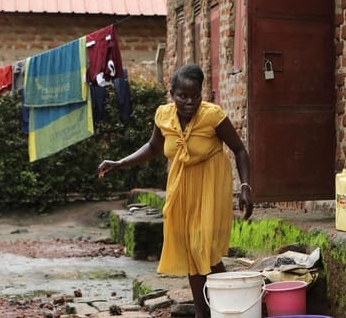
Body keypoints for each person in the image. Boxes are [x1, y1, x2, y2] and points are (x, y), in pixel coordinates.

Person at [97, 64, 252, 318]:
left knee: (202, 247)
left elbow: (240, 150)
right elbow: (153, 147)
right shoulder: (163, 116)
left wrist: (245, 187)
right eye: (183, 96)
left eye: (195, 96)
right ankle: (221, 308)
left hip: (210, 184)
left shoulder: (213, 116)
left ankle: (227, 306)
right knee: (195, 252)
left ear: (202, 94)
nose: (190, 101)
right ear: (172, 93)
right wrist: (120, 162)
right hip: (180, 187)